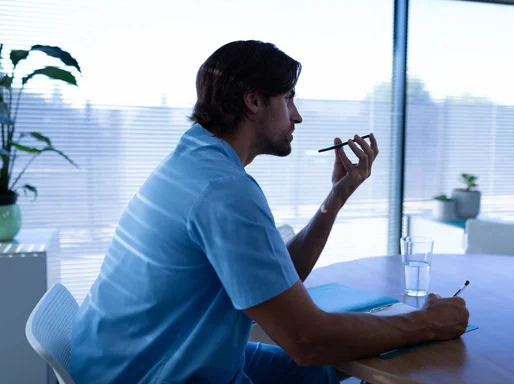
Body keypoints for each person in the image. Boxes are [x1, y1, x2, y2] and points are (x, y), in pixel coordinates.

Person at [69, 40, 470, 384]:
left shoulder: (194, 160)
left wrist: (337, 197)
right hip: (146, 374)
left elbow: (277, 278)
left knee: (324, 372)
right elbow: (307, 340)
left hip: (122, 358)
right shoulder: (224, 191)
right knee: (324, 358)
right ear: (254, 100)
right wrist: (429, 323)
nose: (296, 115)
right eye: (289, 98)